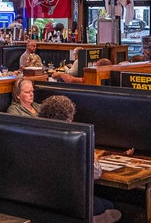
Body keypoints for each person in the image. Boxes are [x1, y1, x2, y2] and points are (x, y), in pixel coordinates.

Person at [39, 95, 123, 223]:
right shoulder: (73, 139)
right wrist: (94, 157)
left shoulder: (36, 133)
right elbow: (96, 174)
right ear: (69, 118)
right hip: (68, 200)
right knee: (110, 205)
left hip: (40, 198)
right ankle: (93, 220)